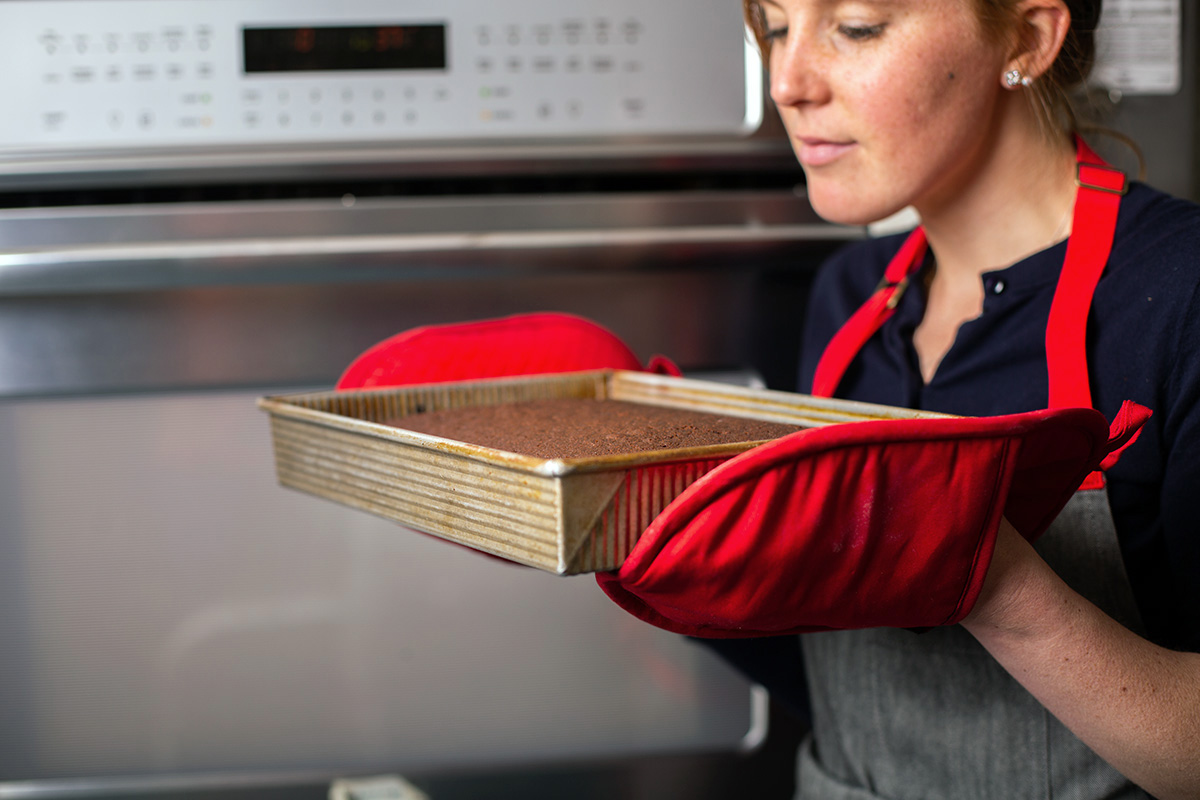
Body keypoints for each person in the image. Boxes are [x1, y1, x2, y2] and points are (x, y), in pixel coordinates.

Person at [734, 0, 1200, 797]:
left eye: (855, 27)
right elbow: (864, 692)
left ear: (1027, 36)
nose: (786, 81)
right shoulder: (846, 301)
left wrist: (998, 584)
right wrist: (659, 544)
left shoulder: (1180, 294)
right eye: (777, 27)